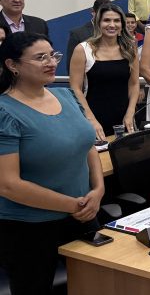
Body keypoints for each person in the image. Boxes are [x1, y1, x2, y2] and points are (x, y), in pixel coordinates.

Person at [0, 33, 103, 295]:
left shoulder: (66, 96)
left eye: (52, 55)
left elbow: (87, 145)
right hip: (30, 228)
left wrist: (98, 189)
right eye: (40, 58)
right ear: (12, 65)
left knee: (98, 284)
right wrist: (74, 205)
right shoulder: (5, 111)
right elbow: (8, 185)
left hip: (83, 214)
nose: (51, 63)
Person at [69, 4, 139, 139]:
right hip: (94, 118)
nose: (112, 25)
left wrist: (130, 113)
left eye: (116, 20)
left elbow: (134, 84)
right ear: (98, 23)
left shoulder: (130, 49)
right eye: (107, 20)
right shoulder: (83, 49)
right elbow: (75, 88)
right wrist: (91, 119)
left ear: (122, 24)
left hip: (124, 119)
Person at [66, 0, 112, 69]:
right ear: (93, 12)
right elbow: (72, 67)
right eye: (102, 13)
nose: (106, 17)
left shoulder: (118, 32)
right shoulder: (78, 34)